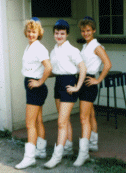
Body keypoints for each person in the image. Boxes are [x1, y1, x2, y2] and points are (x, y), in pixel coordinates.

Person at [44, 19, 87, 169]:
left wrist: (77, 87)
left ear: (67, 34)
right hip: (58, 84)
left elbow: (82, 68)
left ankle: (57, 156)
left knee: (61, 122)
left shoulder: (72, 50)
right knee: (65, 120)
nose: (59, 36)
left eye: (62, 33)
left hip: (69, 83)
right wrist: (39, 76)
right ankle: (68, 148)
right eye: (56, 33)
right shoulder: (53, 51)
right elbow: (53, 72)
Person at [73, 16, 112, 167]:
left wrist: (98, 80)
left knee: (83, 118)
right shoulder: (86, 45)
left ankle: (84, 153)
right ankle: (93, 143)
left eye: (88, 30)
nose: (85, 33)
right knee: (90, 114)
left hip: (89, 82)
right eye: (83, 31)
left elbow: (107, 64)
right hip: (82, 80)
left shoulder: (96, 46)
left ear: (94, 30)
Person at [15, 17, 52, 169]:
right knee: (37, 121)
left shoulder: (38, 48)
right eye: (29, 31)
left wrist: (39, 82)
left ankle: (29, 157)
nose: (31, 34)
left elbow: (48, 67)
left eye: (34, 32)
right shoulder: (30, 46)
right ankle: (41, 151)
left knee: (29, 123)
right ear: (26, 32)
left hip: (35, 87)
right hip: (32, 85)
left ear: (39, 33)